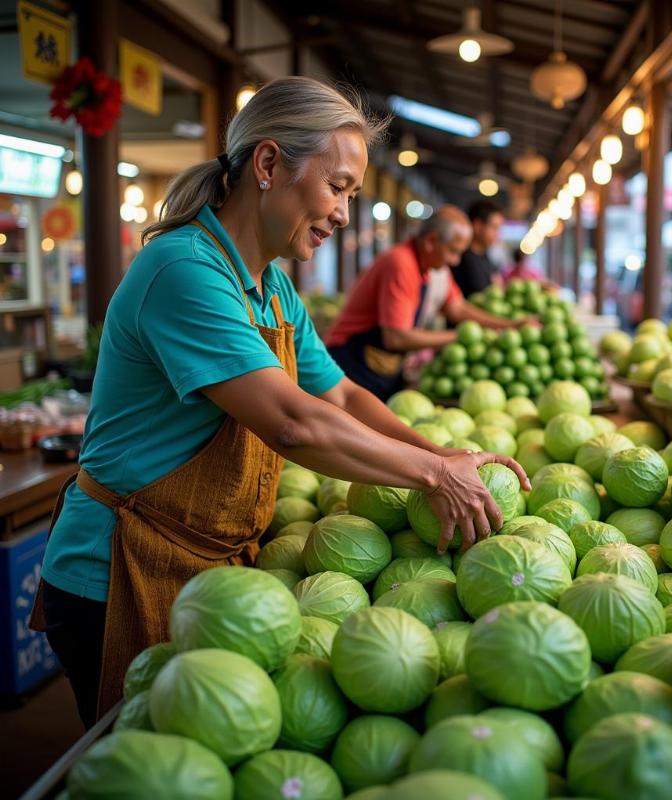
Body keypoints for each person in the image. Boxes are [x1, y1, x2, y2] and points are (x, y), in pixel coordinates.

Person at [32, 77, 529, 728]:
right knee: (146, 764)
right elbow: (293, 423)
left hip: (207, 569)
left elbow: (343, 394)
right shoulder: (184, 271)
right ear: (268, 164)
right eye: (338, 186)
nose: (345, 213)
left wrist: (445, 454)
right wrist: (434, 474)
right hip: (120, 570)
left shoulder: (271, 289)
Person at [325, 206, 529, 400]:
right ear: (431, 241)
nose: (456, 261)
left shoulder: (434, 269)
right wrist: (458, 336)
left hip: (383, 365)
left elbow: (457, 308)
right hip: (350, 363)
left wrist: (509, 325)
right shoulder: (401, 264)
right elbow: (395, 337)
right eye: (453, 251)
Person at [451, 199, 504, 297]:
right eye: (494, 227)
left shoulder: (485, 257)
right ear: (477, 226)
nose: (498, 234)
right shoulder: (460, 259)